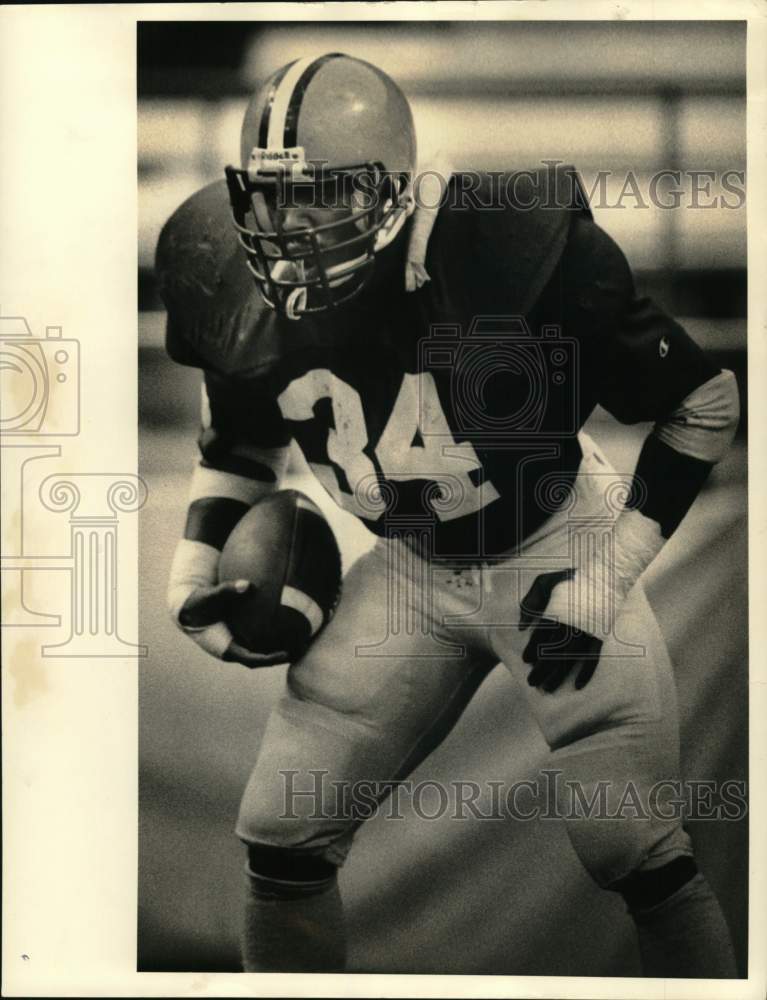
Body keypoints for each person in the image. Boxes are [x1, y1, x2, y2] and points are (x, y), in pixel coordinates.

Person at [157, 53, 740, 976]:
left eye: (322, 195)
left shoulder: (507, 247)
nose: (288, 229)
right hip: (410, 571)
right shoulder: (227, 279)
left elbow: (705, 401)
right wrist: (192, 579)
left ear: (393, 190)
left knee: (633, 846)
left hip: (551, 544)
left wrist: (607, 574)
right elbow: (235, 447)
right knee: (280, 835)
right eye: (268, 199)